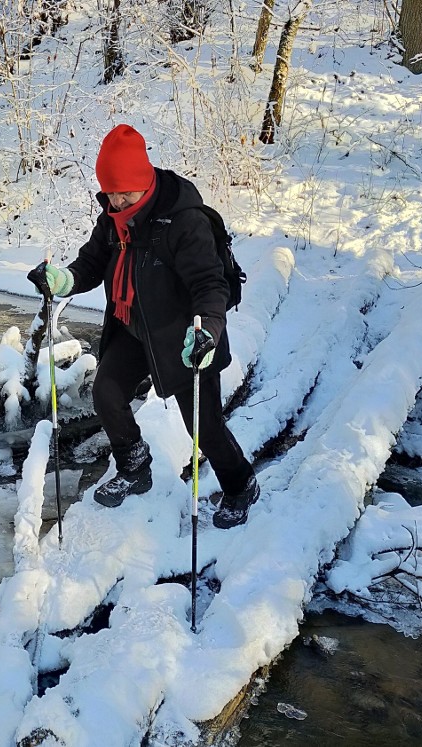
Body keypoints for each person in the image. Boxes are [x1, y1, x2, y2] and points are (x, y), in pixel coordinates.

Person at [39, 124, 259, 529]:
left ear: (145, 181)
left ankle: (240, 484)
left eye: (126, 193)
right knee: (106, 393)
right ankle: (134, 466)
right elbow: (92, 262)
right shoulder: (113, 218)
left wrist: (207, 330)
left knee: (204, 428)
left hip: (188, 336)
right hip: (134, 328)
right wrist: (63, 280)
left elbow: (210, 284)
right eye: (111, 193)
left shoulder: (183, 223)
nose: (118, 201)